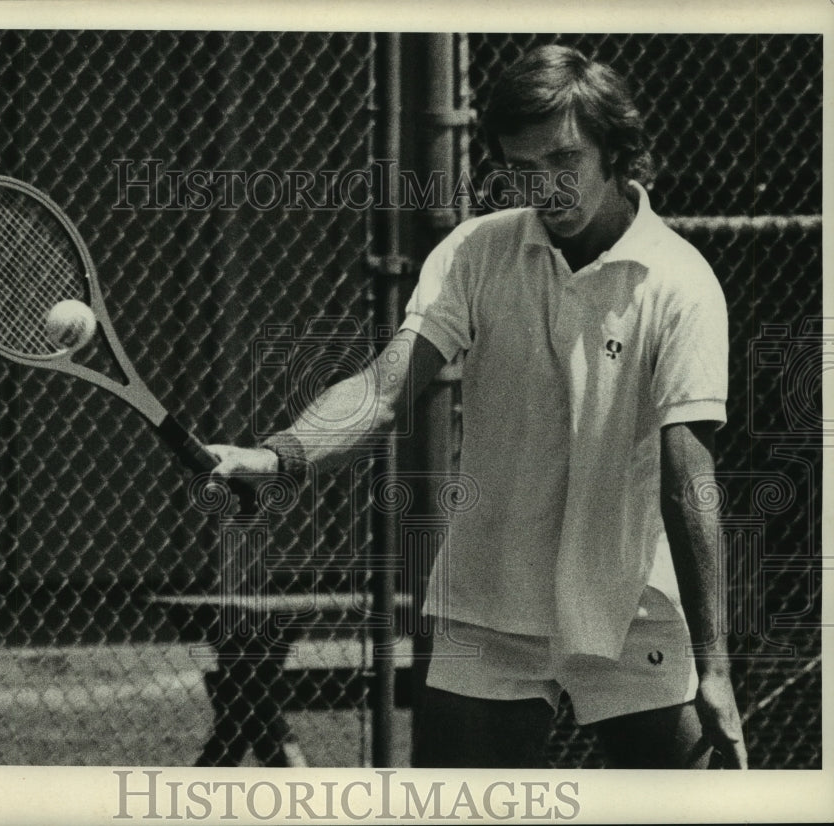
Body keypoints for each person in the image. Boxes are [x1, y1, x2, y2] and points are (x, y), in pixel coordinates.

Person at [208, 44, 748, 769]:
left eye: (565, 160)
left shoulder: (681, 284)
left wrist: (714, 668)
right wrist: (279, 455)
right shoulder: (476, 251)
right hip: (490, 599)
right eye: (523, 168)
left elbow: (689, 479)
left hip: (631, 604)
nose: (546, 186)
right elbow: (383, 387)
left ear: (616, 151)